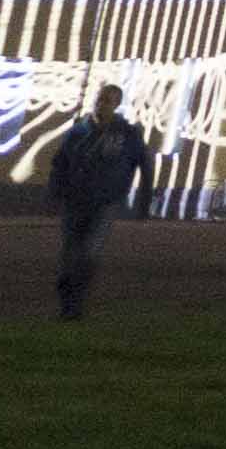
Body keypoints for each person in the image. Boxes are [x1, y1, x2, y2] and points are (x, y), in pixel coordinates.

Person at [41, 87, 151, 321]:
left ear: (117, 104)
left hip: (106, 202)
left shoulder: (128, 134)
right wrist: (54, 192)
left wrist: (144, 199)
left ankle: (76, 301)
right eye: (99, 99)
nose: (101, 104)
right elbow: (59, 163)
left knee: (90, 251)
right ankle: (67, 299)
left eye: (108, 101)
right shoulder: (78, 131)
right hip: (75, 200)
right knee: (69, 253)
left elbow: (144, 163)